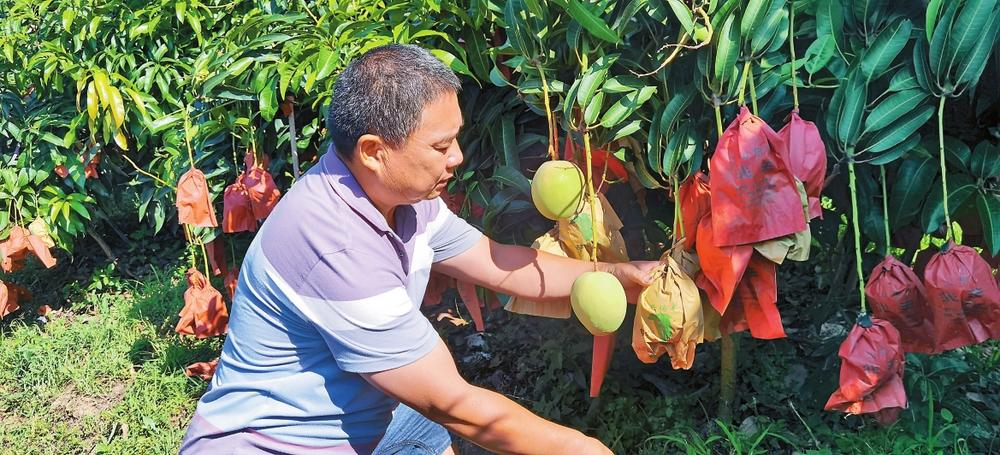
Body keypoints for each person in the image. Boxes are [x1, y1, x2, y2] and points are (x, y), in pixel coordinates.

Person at [180, 44, 656, 455]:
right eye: (440, 145)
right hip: (277, 442)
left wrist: (620, 275)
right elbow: (453, 404)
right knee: (434, 411)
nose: (457, 157)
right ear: (373, 151)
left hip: (364, 421)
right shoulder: (337, 244)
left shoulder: (403, 199)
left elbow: (498, 263)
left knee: (421, 421)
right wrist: (582, 447)